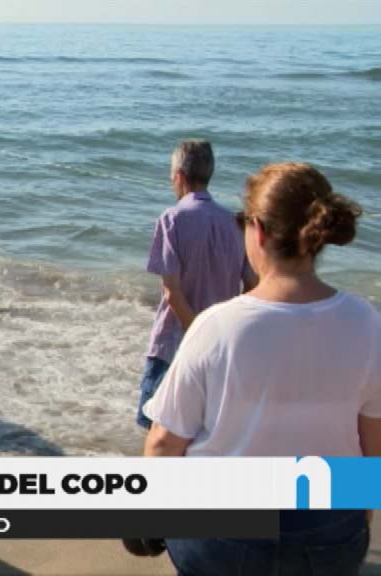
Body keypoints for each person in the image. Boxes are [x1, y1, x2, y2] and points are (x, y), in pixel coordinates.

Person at [142, 162, 378, 575]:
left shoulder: (217, 325)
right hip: (329, 525)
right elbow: (372, 441)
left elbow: (163, 443)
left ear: (260, 232)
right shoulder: (367, 322)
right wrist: (359, 516)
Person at [136, 140, 256, 429]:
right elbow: (252, 286)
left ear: (179, 175)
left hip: (175, 339)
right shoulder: (235, 223)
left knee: (155, 426)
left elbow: (172, 293)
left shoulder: (172, 219)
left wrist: (196, 331)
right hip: (221, 342)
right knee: (200, 427)